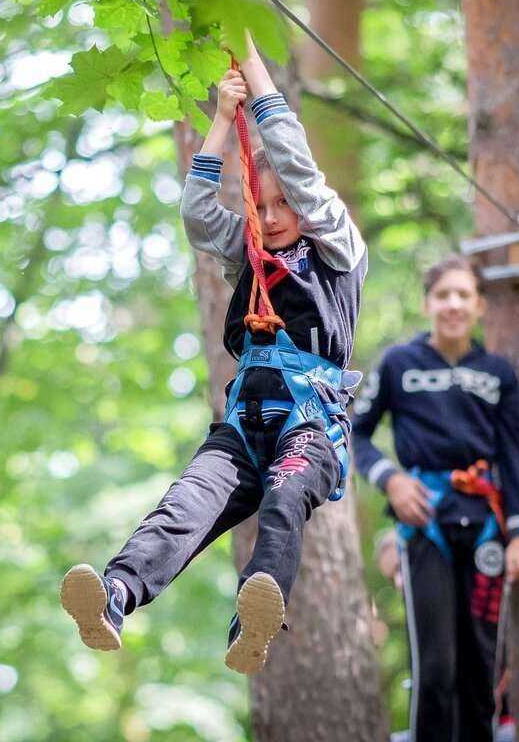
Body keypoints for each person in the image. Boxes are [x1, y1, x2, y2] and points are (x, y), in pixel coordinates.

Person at [60, 35, 367, 675]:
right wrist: (222, 123)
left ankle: (252, 620)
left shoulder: (336, 252)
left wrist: (248, 54)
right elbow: (200, 213)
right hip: (244, 428)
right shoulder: (250, 257)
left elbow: (293, 162)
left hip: (310, 427)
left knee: (284, 505)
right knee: (185, 507)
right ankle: (115, 597)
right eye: (263, 205)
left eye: (287, 205)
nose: (276, 215)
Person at [352, 254, 519, 742]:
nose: (452, 304)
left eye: (463, 295)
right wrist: (391, 479)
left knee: (481, 672)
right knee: (434, 668)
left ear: (479, 306)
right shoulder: (398, 364)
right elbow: (355, 434)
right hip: (424, 525)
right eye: (442, 294)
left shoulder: (498, 375)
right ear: (427, 303)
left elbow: (513, 459)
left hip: (486, 530)